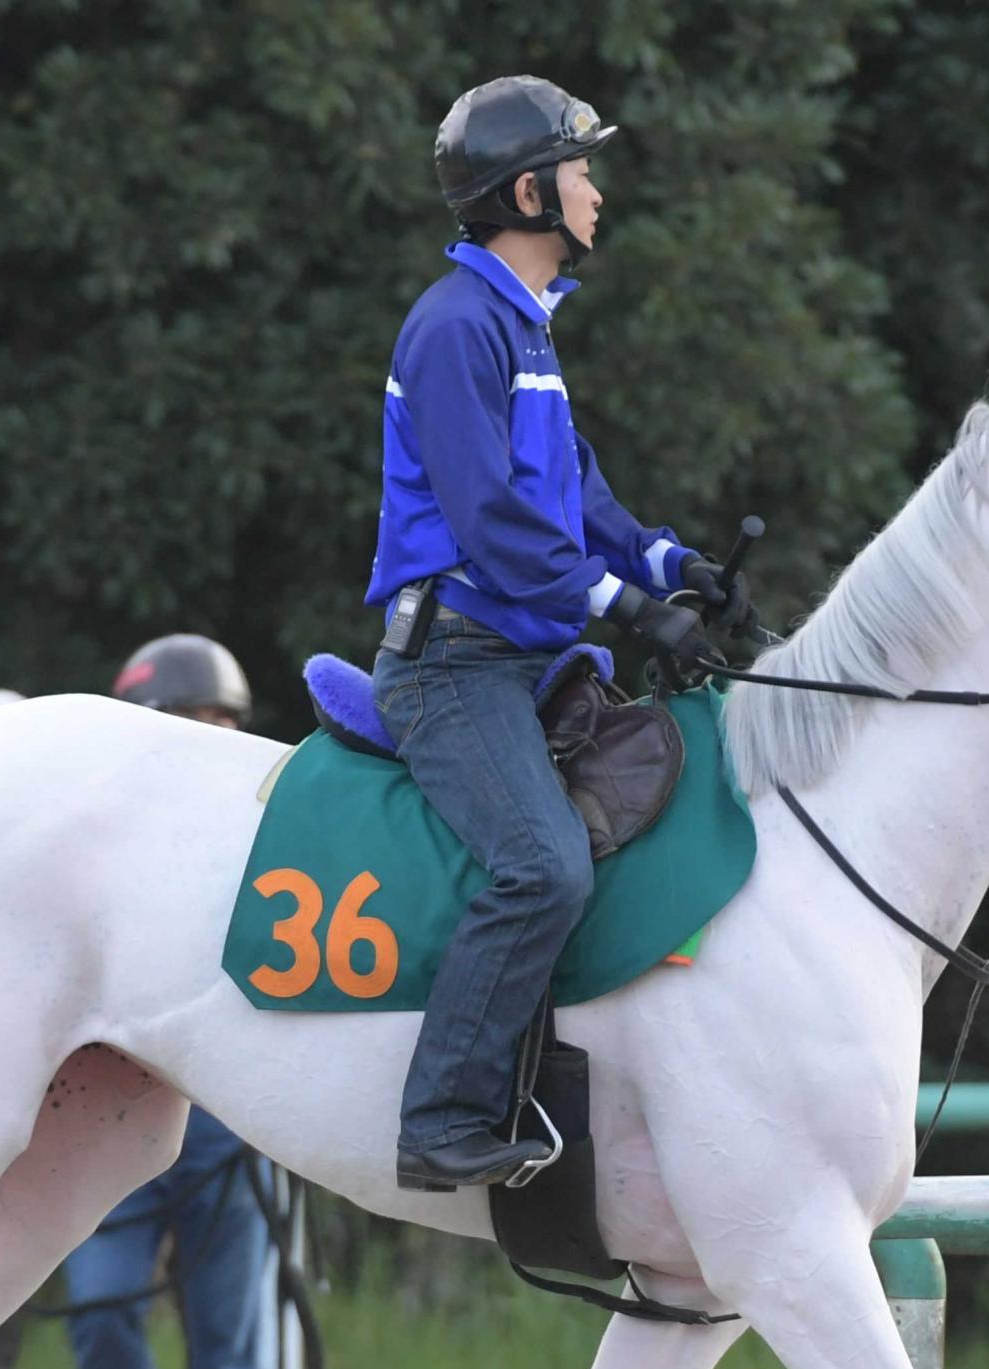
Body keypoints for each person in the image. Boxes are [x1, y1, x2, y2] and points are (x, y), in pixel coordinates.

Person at [366, 77, 755, 1193]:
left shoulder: (522, 325)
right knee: (543, 867)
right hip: (452, 670)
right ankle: (440, 1116)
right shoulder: (454, 328)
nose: (596, 190)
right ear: (530, 190)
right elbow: (492, 524)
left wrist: (675, 566)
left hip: (525, 656)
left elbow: (577, 498)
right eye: (581, 170)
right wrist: (627, 610)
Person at [65, 636, 268, 1369]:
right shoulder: (90, 841)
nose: (210, 743)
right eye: (192, 725)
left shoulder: (268, 840)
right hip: (115, 1100)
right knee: (99, 1305)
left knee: (226, 1325)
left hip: (227, 1110)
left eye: (223, 725)